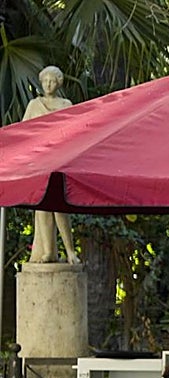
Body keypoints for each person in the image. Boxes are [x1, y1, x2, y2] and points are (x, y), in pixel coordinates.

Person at [24, 67, 80, 264]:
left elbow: (73, 133)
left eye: (52, 81)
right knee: (43, 208)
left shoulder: (66, 105)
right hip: (39, 162)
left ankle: (70, 250)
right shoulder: (34, 105)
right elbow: (23, 132)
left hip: (59, 160)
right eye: (45, 80)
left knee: (60, 207)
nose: (48, 84)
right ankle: (48, 251)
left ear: (58, 83)